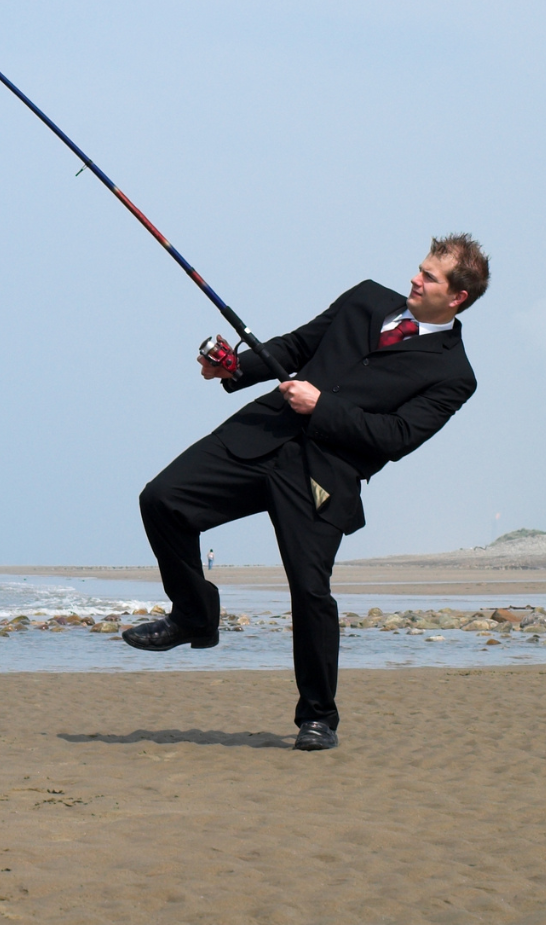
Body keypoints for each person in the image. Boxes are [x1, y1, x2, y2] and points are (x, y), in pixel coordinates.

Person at [123, 235, 488, 752]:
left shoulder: (455, 375)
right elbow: (295, 346)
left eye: (430, 277)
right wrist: (234, 368)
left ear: (457, 298)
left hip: (323, 476)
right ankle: (194, 616)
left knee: (310, 591)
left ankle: (318, 717)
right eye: (419, 268)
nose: (415, 279)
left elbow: (399, 438)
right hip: (261, 435)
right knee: (161, 499)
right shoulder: (365, 296)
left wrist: (321, 407)